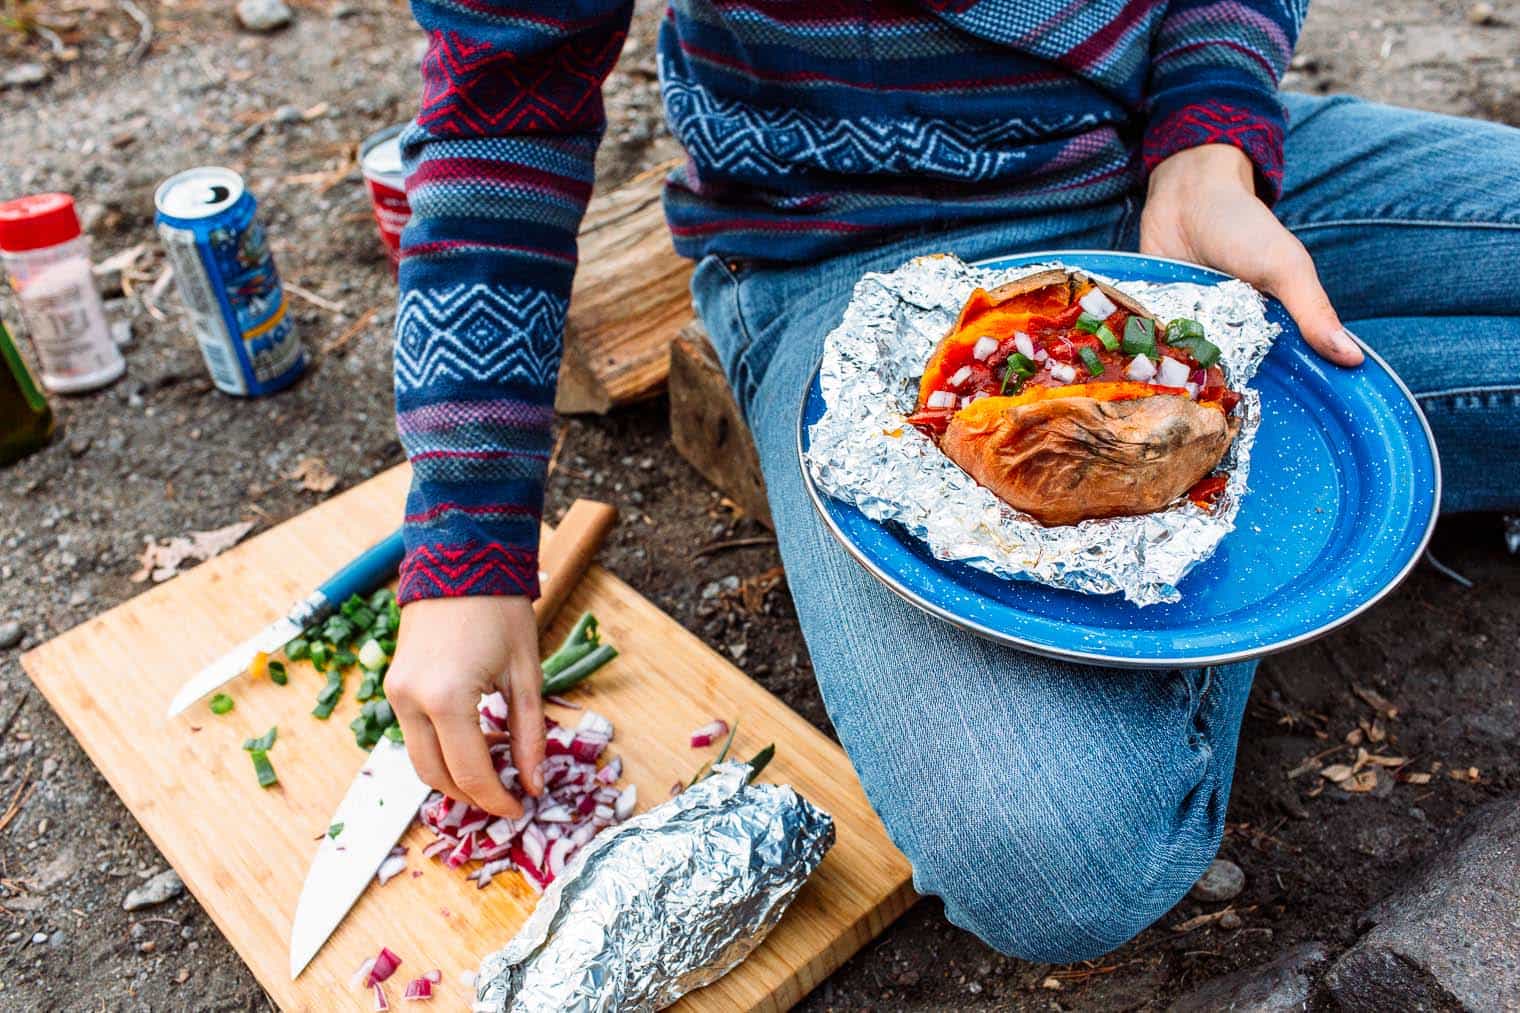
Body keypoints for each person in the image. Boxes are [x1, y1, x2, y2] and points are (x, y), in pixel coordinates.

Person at [385, 1, 1520, 961]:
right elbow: (502, 104)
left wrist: (1207, 132)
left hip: (1163, 160)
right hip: (845, 250)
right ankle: (1315, 444)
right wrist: (467, 538)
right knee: (1057, 865)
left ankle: (1271, 420)